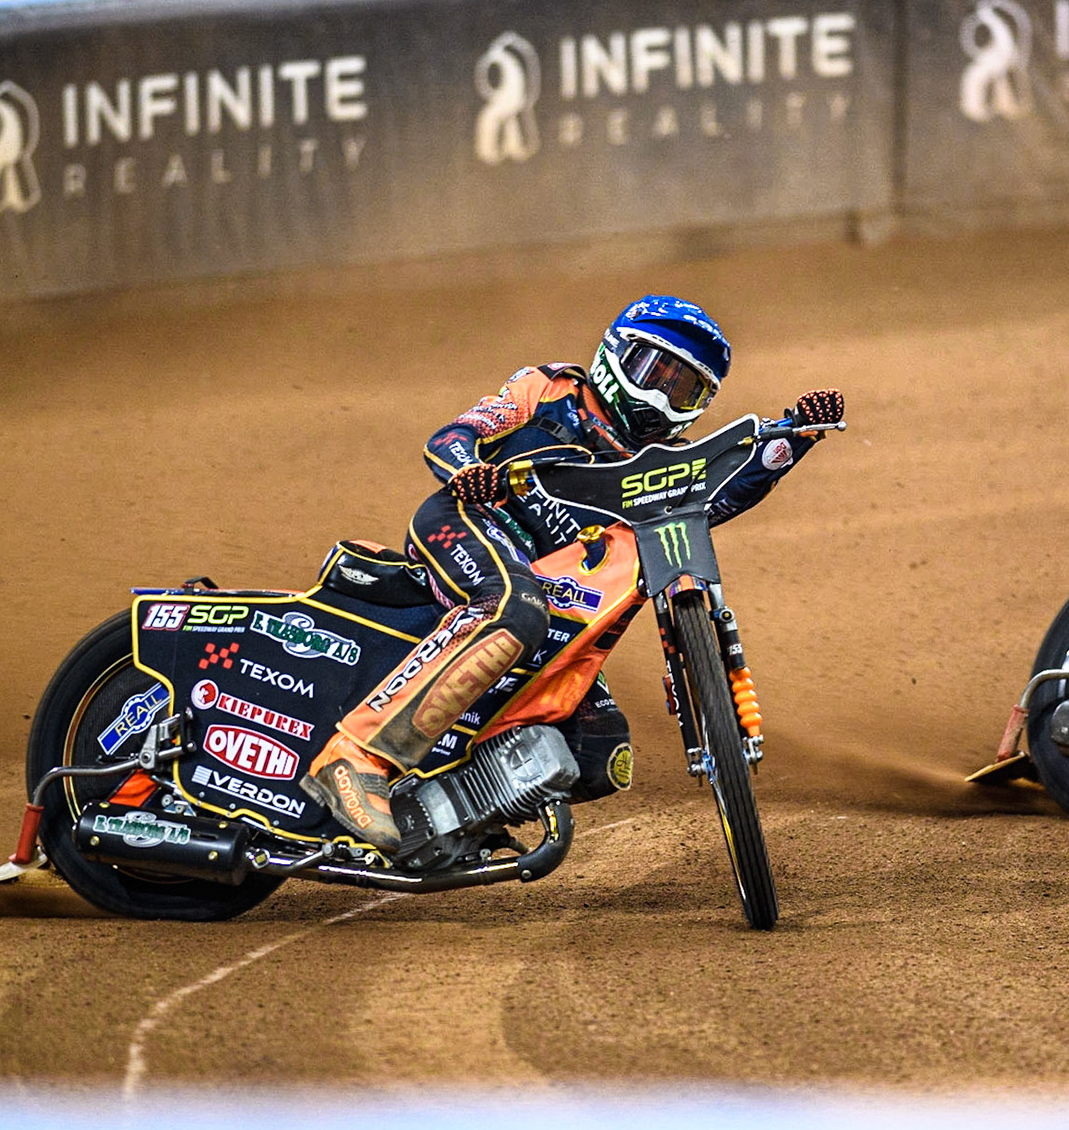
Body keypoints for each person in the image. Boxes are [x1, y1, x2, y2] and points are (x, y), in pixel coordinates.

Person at [300, 295, 845, 849]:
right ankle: (355, 756)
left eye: (684, 389)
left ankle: (450, 813)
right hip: (468, 521)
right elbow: (451, 436)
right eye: (652, 372)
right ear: (614, 354)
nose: (661, 398)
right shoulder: (549, 389)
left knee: (600, 756)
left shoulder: (661, 461)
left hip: (553, 592)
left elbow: (721, 493)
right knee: (515, 608)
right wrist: (470, 471)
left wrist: (798, 433)